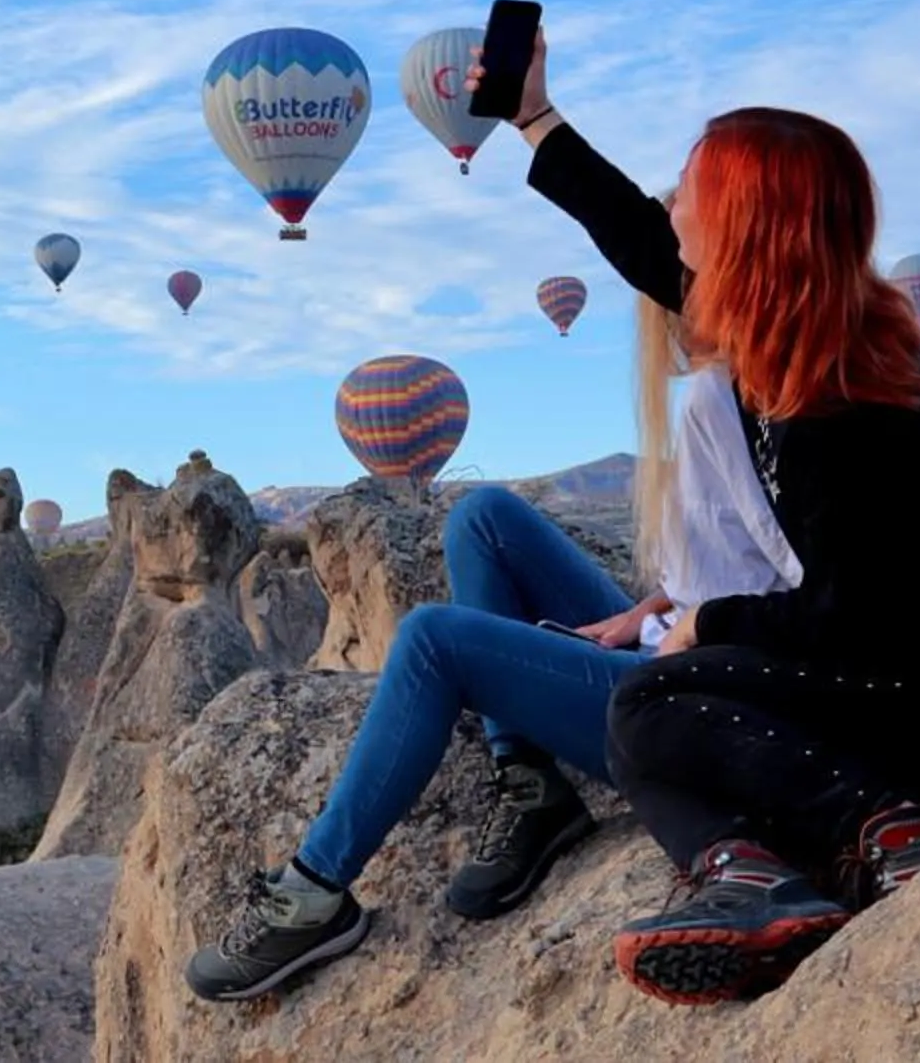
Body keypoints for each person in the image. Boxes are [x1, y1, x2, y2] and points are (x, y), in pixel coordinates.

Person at [484, 29, 920, 1007]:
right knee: (648, 707)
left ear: (743, 225)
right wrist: (534, 119)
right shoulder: (792, 335)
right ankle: (753, 877)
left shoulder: (846, 398)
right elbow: (638, 239)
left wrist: (708, 623)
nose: (673, 208)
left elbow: (859, 618)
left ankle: (881, 828)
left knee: (647, 705)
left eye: (691, 192)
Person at [182, 246, 794, 1004]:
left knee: (434, 638)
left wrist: (693, 629)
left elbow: (813, 595)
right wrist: (652, 607)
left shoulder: (749, 405)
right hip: (669, 649)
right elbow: (725, 562)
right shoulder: (720, 395)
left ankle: (316, 890)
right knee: (482, 515)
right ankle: (529, 779)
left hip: (702, 699)